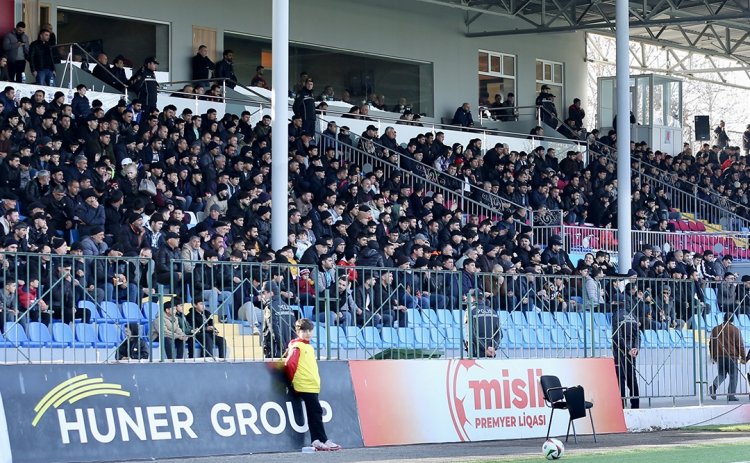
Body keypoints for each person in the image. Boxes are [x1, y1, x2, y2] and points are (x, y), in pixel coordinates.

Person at [283, 318, 341, 451]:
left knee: (314, 411)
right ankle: (321, 439)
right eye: (304, 331)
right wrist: (293, 381)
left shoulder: (307, 346)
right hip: (304, 385)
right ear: (298, 331)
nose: (308, 333)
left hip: (311, 385)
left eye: (310, 330)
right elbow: (290, 364)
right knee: (316, 411)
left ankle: (318, 439)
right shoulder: (298, 346)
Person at [612, 293, 641, 409]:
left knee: (621, 379)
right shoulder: (632, 315)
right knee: (632, 378)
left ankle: (621, 406)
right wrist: (635, 348)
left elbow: (616, 336)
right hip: (632, 351)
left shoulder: (616, 316)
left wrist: (627, 349)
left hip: (621, 351)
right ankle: (635, 406)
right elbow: (638, 335)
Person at [708, 313, 746, 401]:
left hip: (720, 356)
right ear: (732, 320)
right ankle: (731, 395)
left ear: (724, 318)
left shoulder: (715, 329)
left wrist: (713, 355)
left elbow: (711, 344)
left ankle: (714, 386)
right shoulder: (735, 330)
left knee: (722, 374)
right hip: (732, 357)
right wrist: (743, 357)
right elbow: (740, 345)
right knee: (734, 376)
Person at [464, 289, 501, 358]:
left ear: (471, 298)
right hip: (490, 353)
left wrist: (485, 348)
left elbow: (471, 334)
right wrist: (492, 348)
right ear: (482, 298)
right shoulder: (493, 311)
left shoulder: (470, 311)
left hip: (476, 352)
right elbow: (499, 334)